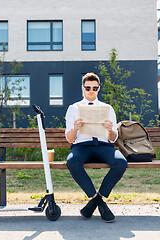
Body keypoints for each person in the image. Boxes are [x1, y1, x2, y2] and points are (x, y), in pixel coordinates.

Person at [65, 72, 127, 223]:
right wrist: (75, 128)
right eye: (88, 88)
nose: (91, 91)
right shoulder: (73, 108)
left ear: (99, 88)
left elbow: (113, 138)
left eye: (94, 88)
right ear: (82, 88)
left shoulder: (107, 108)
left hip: (103, 146)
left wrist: (110, 129)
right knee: (72, 161)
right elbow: (69, 139)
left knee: (121, 162)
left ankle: (94, 203)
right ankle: (99, 203)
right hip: (82, 146)